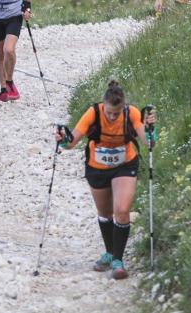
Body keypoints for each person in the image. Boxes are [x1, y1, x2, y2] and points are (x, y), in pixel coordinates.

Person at [54, 80, 156, 280]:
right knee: (105, 213)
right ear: (103, 106)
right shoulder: (93, 112)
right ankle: (109, 253)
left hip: (124, 165)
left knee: (122, 210)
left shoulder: (132, 113)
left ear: (123, 107)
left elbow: (148, 141)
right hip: (97, 167)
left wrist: (150, 128)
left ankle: (118, 261)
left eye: (116, 113)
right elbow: (71, 142)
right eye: (109, 112)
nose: (112, 116)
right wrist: (62, 139)